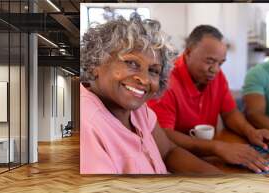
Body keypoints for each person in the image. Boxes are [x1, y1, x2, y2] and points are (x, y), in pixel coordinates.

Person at [80, 14, 221, 174]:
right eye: (131, 63)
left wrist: (220, 180)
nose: (145, 79)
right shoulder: (87, 125)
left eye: (154, 71)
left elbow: (168, 152)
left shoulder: (139, 110)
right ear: (95, 63)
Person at [148, 25, 269, 173]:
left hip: (207, 156)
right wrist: (217, 147)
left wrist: (251, 132)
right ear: (188, 52)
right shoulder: (166, 80)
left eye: (220, 63)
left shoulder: (216, 76)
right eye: (209, 61)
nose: (215, 69)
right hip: (176, 161)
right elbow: (164, 135)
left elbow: (230, 113)